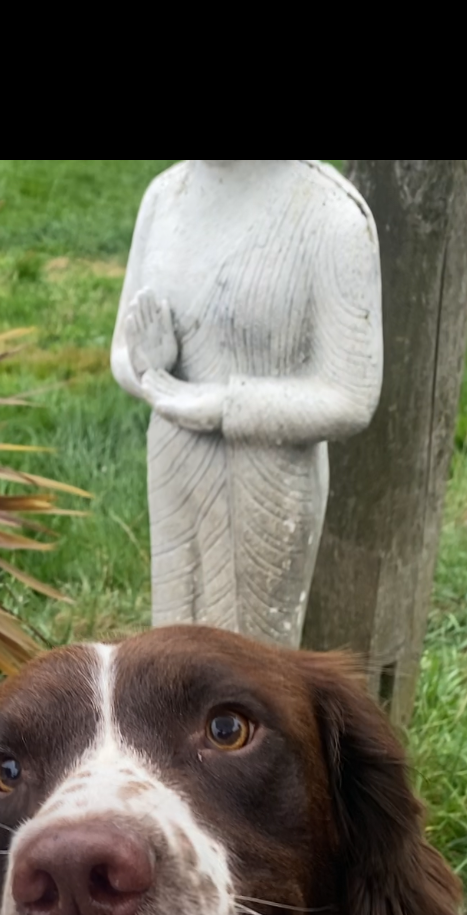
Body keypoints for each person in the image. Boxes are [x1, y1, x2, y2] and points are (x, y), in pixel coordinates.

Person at [111, 160, 382, 644]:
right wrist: (150, 367)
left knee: (252, 667)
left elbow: (351, 395)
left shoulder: (331, 216)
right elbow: (121, 352)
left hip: (265, 475)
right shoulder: (164, 195)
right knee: (170, 647)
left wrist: (220, 405)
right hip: (174, 456)